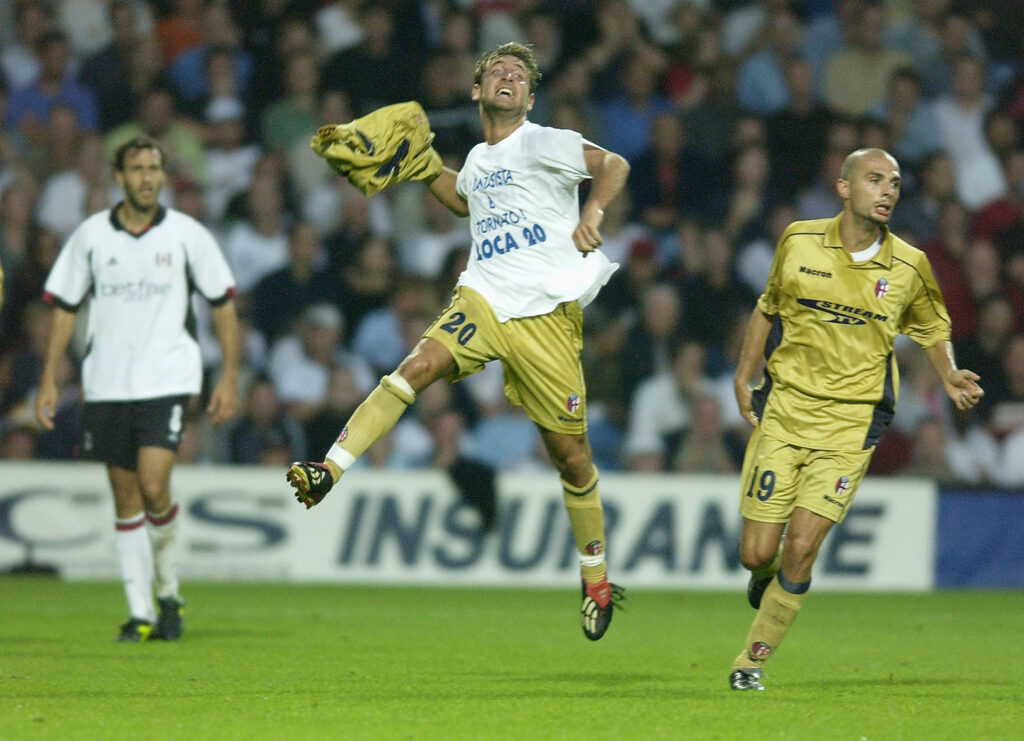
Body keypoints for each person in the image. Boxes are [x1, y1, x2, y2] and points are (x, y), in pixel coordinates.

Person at [287, 42, 630, 641]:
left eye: (519, 74)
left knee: (571, 457)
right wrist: (424, 168)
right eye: (497, 69)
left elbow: (615, 165)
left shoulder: (545, 142)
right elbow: (464, 202)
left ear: (529, 98)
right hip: (484, 296)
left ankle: (596, 578)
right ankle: (328, 470)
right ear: (476, 91)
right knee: (416, 366)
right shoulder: (475, 159)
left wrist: (593, 212)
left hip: (545, 313)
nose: (507, 75)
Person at [728, 148, 984, 691]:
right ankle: (764, 576)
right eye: (874, 179)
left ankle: (750, 661)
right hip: (787, 410)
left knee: (802, 546)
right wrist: (744, 374)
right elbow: (768, 307)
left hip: (852, 423)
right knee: (756, 553)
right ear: (844, 188)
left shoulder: (909, 265)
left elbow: (932, 327)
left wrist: (948, 374)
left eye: (895, 182)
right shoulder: (798, 240)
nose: (887, 190)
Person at [34, 136, 240, 643]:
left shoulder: (187, 235)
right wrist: (48, 377)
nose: (147, 177)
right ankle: (141, 612)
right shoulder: (90, 236)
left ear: (163, 176)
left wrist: (229, 376)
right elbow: (64, 307)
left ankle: (168, 590)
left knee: (153, 486)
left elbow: (223, 304)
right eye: (137, 169)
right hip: (106, 383)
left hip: (167, 379)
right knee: (124, 494)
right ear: (119, 177)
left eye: (153, 168)